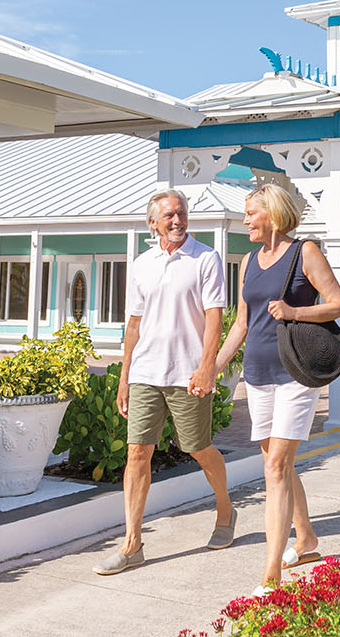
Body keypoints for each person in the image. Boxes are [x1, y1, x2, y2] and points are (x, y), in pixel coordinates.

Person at [214, 184, 340, 595]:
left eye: (251, 213)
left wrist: (294, 311)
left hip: (295, 373)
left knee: (274, 468)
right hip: (256, 374)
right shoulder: (248, 261)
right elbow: (241, 323)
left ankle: (271, 573)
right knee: (280, 464)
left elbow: (338, 303)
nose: (246, 220)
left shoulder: (304, 252)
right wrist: (211, 369)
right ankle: (305, 539)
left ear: (271, 214)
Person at [94, 188, 235, 575]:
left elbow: (214, 318)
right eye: (169, 216)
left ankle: (225, 509)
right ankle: (132, 543)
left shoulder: (205, 258)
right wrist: (124, 376)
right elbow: (134, 324)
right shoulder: (141, 263)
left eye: (181, 214)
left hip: (187, 372)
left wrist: (208, 367)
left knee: (198, 447)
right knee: (137, 452)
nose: (177, 221)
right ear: (152, 223)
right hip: (145, 372)